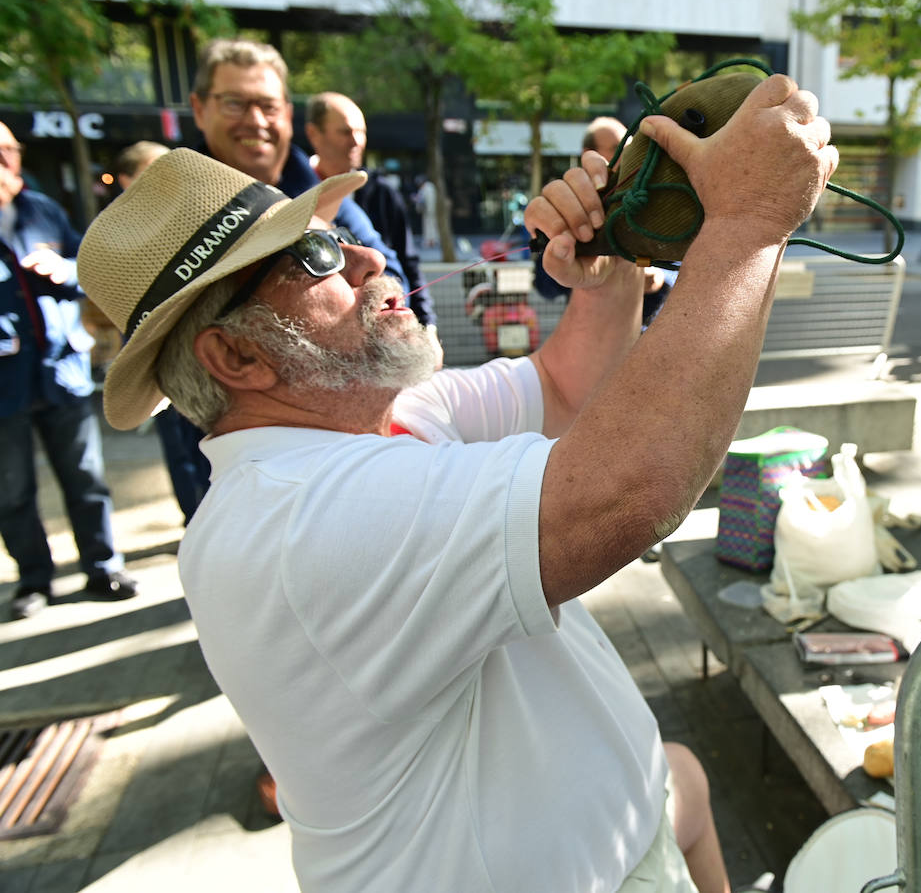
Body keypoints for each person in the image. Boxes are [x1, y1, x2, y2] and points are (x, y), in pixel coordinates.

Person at [76, 69, 835, 892]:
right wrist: (750, 224)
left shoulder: (368, 424)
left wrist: (612, 256)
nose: (368, 257)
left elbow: (568, 390)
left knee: (680, 773)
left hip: (622, 841)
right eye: (316, 254)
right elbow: (631, 485)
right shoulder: (297, 523)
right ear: (237, 357)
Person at [0, 120, 138, 619]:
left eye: (9, 152)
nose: (4, 163)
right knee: (11, 490)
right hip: (5, 385)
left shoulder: (42, 211)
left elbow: (92, 265)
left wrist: (69, 271)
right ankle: (34, 579)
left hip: (61, 370)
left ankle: (103, 566)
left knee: (85, 477)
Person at [188, 39, 421, 310]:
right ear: (199, 109)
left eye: (268, 106)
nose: (256, 121)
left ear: (288, 114)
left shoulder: (325, 198)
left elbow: (391, 279)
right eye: (234, 103)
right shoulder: (171, 210)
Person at [116, 141, 213, 525]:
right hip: (165, 363)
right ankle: (198, 525)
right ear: (126, 181)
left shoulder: (195, 216)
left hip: (209, 357)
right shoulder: (118, 236)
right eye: (155, 171)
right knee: (182, 452)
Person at [305, 91, 438, 352]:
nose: (356, 141)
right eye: (344, 132)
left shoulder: (383, 194)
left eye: (361, 131)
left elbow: (408, 263)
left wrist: (427, 327)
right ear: (314, 134)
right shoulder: (291, 193)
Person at [535, 115, 671, 326]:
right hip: (589, 341)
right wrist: (567, 265)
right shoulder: (569, 205)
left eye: (631, 145)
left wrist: (659, 280)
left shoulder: (651, 196)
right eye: (617, 147)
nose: (628, 153)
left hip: (648, 336)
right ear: (588, 154)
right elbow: (545, 288)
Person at [415, 175, 439, 249]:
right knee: (429, 226)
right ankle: (431, 241)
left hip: (430, 211)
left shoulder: (428, 187)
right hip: (428, 211)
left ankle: (431, 242)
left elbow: (428, 200)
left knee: (430, 226)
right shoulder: (427, 187)